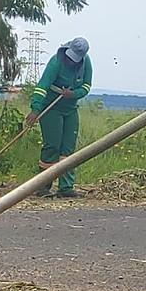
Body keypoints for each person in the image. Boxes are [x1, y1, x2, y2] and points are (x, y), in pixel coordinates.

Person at [26, 37, 92, 198]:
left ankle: (66, 187)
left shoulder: (86, 62)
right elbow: (42, 86)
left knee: (68, 148)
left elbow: (86, 86)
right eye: (70, 57)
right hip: (51, 108)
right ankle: (42, 185)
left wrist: (74, 94)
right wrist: (35, 109)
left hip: (70, 108)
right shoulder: (56, 62)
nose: (72, 61)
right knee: (52, 146)